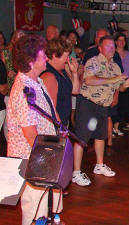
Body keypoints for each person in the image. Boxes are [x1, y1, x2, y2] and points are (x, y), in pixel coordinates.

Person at [7, 34, 62, 225]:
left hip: (45, 158)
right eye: (42, 55)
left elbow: (51, 112)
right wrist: (48, 163)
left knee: (49, 211)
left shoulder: (37, 82)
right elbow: (31, 135)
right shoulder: (23, 89)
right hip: (33, 162)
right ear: (31, 61)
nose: (47, 58)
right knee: (34, 213)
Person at [72, 36, 129, 186]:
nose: (112, 49)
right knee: (82, 138)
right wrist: (112, 80)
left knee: (101, 135)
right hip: (88, 103)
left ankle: (99, 165)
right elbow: (89, 80)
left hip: (103, 106)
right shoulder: (93, 62)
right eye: (108, 46)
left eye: (113, 46)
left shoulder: (115, 67)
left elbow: (119, 87)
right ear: (100, 48)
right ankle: (76, 172)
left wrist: (125, 85)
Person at [40, 38, 80, 126]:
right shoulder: (48, 75)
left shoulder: (62, 71)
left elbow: (75, 91)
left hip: (63, 121)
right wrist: (60, 128)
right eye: (65, 57)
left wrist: (74, 72)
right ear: (54, 55)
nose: (67, 60)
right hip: (55, 124)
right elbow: (50, 108)